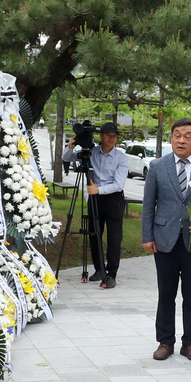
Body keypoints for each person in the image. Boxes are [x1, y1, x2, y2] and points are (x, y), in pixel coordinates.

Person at [142, 117, 191, 361]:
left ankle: (190, 343)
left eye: (187, 136)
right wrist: (147, 236)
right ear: (171, 138)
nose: (181, 140)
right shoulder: (157, 166)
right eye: (177, 135)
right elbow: (148, 205)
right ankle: (165, 342)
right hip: (164, 239)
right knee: (166, 294)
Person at [62, 122, 129, 288]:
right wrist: (71, 145)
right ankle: (99, 269)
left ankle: (111, 273)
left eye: (114, 135)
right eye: (108, 135)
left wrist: (99, 189)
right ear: (101, 136)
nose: (112, 138)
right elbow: (66, 157)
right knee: (94, 234)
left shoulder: (121, 158)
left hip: (112, 198)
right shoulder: (92, 152)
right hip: (94, 197)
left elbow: (119, 184)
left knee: (114, 238)